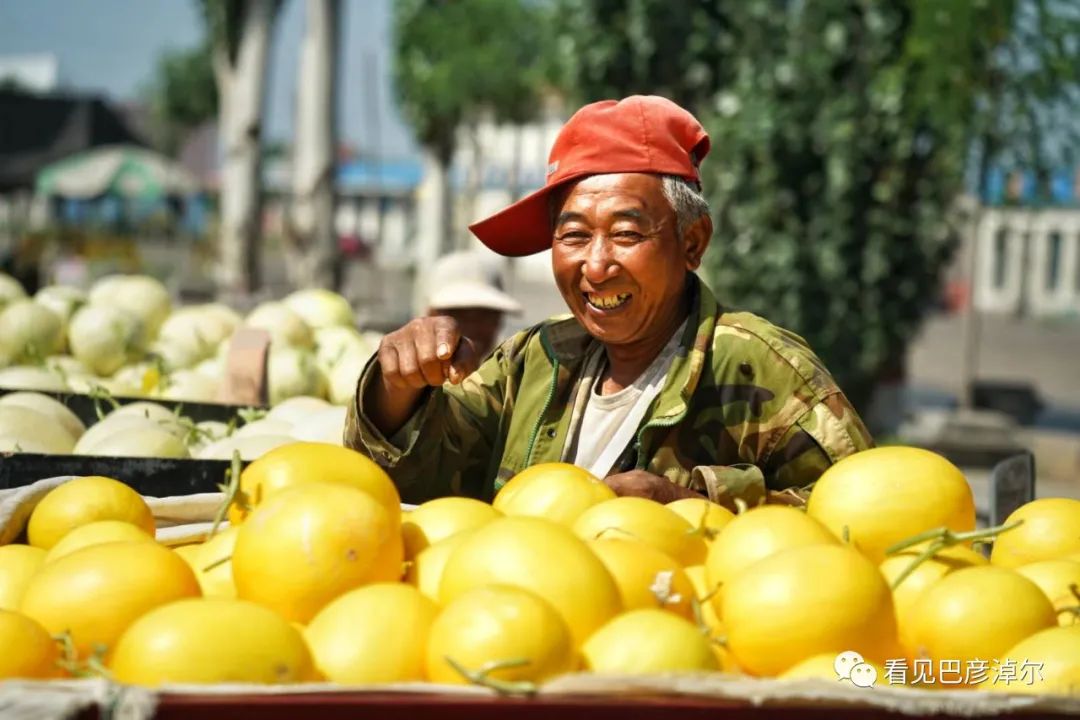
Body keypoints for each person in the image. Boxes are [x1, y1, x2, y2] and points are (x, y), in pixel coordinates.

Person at [345, 95, 872, 507]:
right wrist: (397, 387)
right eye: (573, 236)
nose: (595, 266)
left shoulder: (762, 368)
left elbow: (867, 520)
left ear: (692, 243)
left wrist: (693, 505)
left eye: (626, 233)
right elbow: (415, 488)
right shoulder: (534, 361)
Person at [424, 250, 522, 359]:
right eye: (459, 314)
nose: (473, 328)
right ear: (430, 314)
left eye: (486, 315)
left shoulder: (516, 371)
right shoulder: (404, 372)